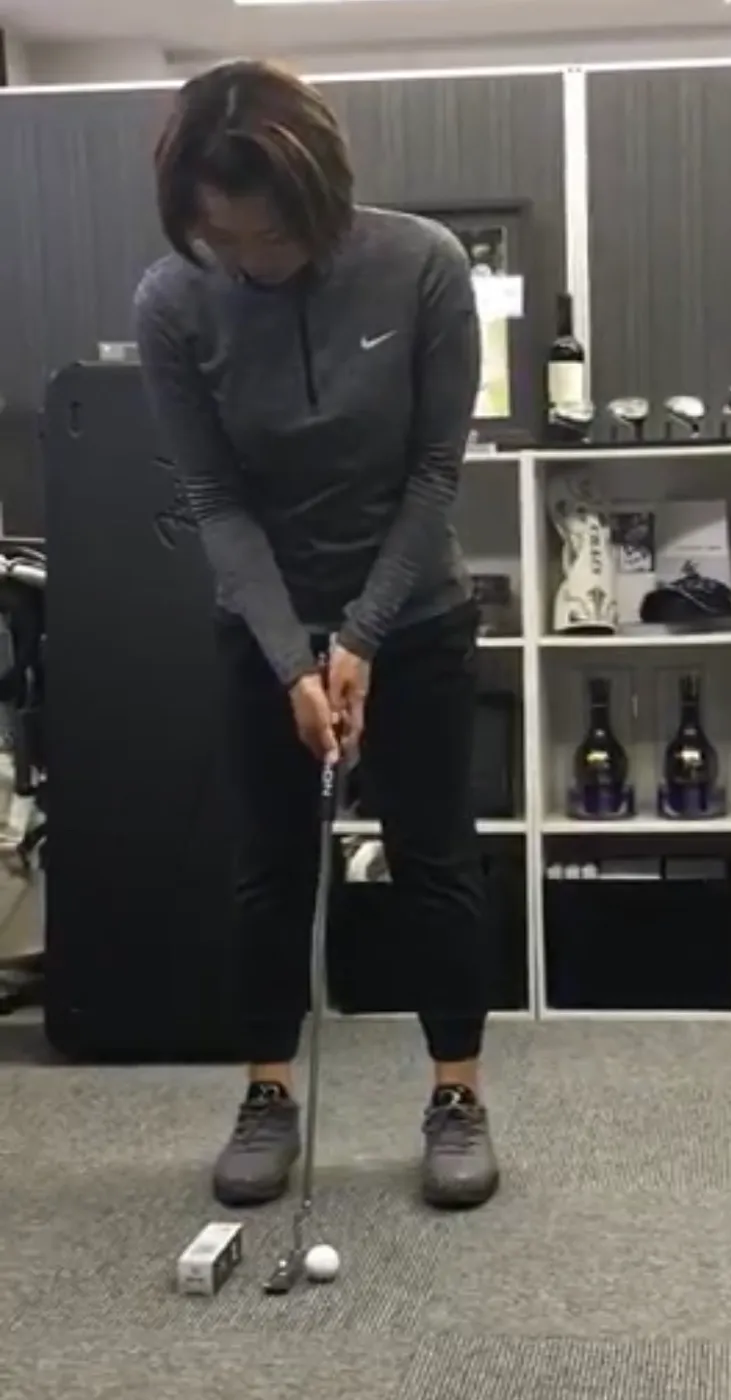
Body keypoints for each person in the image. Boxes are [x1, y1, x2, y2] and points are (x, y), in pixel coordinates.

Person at [133, 59, 499, 1211]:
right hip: (264, 627)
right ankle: (267, 1092)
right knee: (269, 868)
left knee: (436, 859)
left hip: (418, 617)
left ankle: (456, 1095)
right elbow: (216, 497)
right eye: (224, 237)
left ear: (322, 193)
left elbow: (434, 472)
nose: (254, 259)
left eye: (275, 233)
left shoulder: (424, 266)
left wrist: (366, 633)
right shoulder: (172, 303)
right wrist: (293, 655)